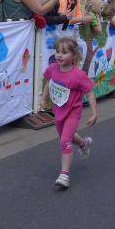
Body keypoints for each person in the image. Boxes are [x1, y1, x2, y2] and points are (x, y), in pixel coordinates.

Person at [41, 37, 97, 189]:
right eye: (57, 51)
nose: (59, 55)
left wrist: (94, 113)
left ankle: (64, 175)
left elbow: (90, 93)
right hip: (58, 110)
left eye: (64, 52)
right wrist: (43, 98)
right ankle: (84, 144)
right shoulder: (52, 69)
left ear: (74, 55)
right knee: (68, 137)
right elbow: (48, 83)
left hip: (73, 112)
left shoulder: (78, 75)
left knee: (64, 141)